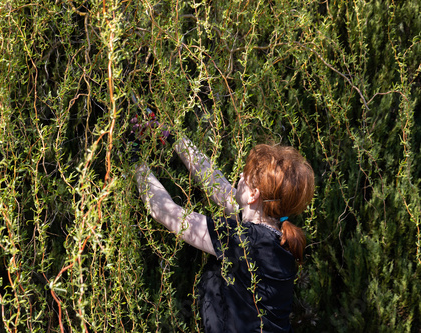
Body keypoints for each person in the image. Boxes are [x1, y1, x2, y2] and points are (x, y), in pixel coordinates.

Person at [133, 128, 315, 332]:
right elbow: (216, 184)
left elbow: (169, 213)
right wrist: (170, 134)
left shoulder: (246, 242)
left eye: (244, 175)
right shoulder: (272, 235)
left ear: (253, 195)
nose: (239, 175)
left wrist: (135, 162)